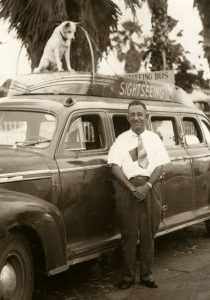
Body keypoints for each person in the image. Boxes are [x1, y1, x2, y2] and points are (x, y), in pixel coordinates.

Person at [108, 100, 170, 289]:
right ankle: (128, 277)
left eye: (139, 114)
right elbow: (114, 166)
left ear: (146, 116)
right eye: (132, 114)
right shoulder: (121, 140)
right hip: (128, 190)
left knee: (148, 234)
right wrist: (131, 188)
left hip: (150, 188)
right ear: (128, 118)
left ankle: (146, 275)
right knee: (128, 234)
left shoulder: (154, 139)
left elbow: (160, 165)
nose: (136, 117)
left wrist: (148, 185)